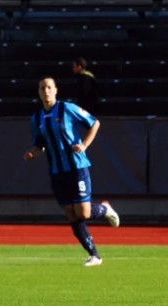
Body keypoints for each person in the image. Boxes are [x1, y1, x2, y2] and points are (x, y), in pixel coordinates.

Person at [23, 76, 120, 266]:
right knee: (71, 213)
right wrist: (32, 153)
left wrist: (84, 144)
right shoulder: (36, 118)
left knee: (83, 212)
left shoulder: (67, 108)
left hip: (76, 166)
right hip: (57, 171)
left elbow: (94, 123)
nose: (46, 91)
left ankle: (105, 208)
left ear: (56, 90)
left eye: (49, 87)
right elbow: (40, 144)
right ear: (39, 92)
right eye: (42, 88)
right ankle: (95, 255)